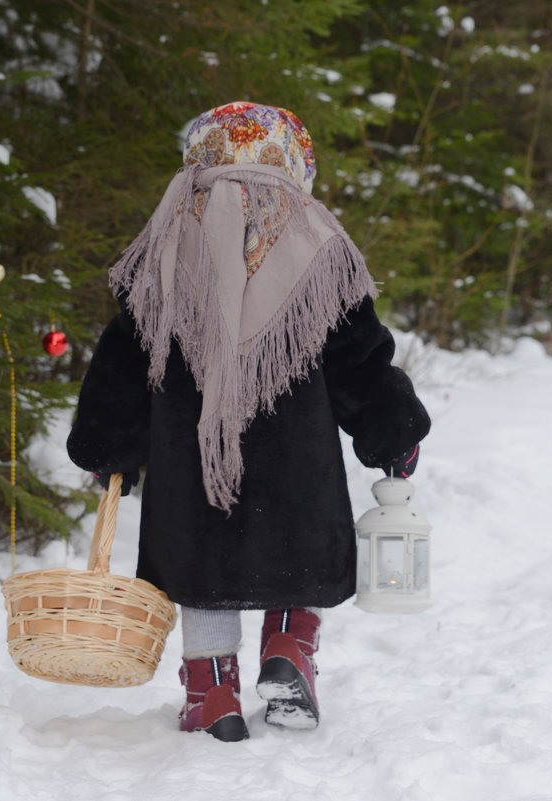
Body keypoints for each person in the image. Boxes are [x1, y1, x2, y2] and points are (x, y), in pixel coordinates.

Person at [66, 101, 430, 742]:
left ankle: (211, 692)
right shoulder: (320, 248)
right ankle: (290, 647)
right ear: (291, 161)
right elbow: (359, 359)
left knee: (201, 568)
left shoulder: (163, 249)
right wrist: (391, 433)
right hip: (297, 461)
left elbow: (125, 358)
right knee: (300, 550)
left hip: (194, 462)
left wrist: (109, 443)